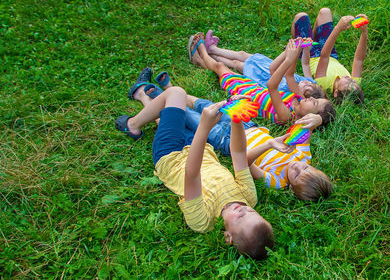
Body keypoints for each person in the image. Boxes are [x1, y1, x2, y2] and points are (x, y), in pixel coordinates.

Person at [114, 69, 274, 259]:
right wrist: (237, 118)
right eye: (250, 211)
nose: (243, 208)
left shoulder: (202, 222)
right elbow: (239, 154)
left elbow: (192, 174)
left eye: (240, 217)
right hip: (199, 148)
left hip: (169, 155)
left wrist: (205, 128)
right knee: (170, 115)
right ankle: (145, 97)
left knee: (177, 94)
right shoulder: (248, 197)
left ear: (227, 237)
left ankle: (133, 124)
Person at [120, 68, 332, 202]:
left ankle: (152, 98)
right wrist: (317, 120)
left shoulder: (277, 181)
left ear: (293, 188)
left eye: (296, 175)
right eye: (305, 168)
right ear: (312, 165)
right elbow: (305, 129)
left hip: (228, 139)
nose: (296, 167)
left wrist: (270, 145)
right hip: (250, 124)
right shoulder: (303, 157)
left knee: (189, 118)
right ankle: (170, 92)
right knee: (205, 104)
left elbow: (246, 163)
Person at [189, 33, 335, 126]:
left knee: (220, 67)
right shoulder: (298, 98)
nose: (310, 98)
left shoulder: (287, 116)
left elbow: (272, 87)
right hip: (253, 86)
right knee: (221, 69)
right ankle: (200, 60)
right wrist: (294, 51)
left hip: (242, 92)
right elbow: (289, 74)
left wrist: (289, 59)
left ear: (309, 117)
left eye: (314, 102)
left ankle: (201, 50)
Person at [203, 30, 327, 99]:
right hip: (268, 64)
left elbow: (288, 73)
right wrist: (306, 49)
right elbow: (305, 64)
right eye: (309, 83)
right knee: (242, 54)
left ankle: (210, 54)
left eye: (306, 87)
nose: (306, 82)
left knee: (236, 64)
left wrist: (293, 52)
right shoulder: (308, 83)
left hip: (262, 75)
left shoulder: (292, 90)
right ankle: (213, 50)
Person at [291, 8, 367, 104]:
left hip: (311, 53)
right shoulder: (353, 82)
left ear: (335, 92)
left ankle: (298, 48)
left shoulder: (324, 84)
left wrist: (338, 29)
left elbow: (324, 56)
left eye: (348, 84)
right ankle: (313, 38)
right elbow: (359, 59)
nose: (350, 80)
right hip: (331, 53)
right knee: (325, 12)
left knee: (301, 17)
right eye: (354, 82)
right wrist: (364, 33)